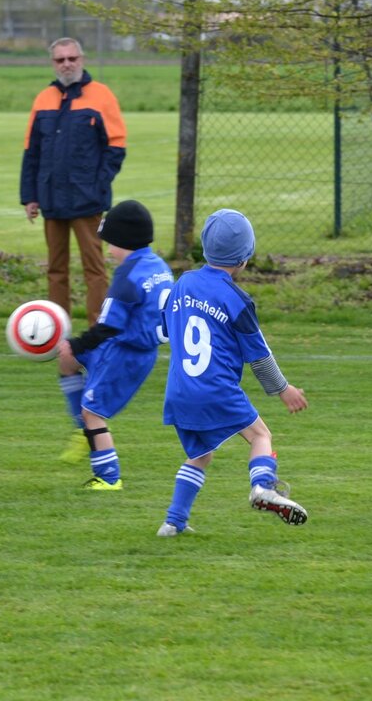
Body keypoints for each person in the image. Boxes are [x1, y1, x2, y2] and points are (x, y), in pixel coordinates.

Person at [156, 209, 308, 536]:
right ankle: (263, 486)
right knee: (260, 436)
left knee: (201, 454)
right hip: (216, 389)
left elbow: (164, 329)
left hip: (179, 391)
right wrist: (284, 390)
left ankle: (173, 522)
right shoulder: (237, 300)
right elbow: (260, 358)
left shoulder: (183, 283)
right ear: (244, 258)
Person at [54, 200, 173, 488]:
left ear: (124, 241)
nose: (108, 250)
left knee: (93, 413)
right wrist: (73, 351)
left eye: (110, 243)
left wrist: (77, 343)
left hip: (124, 354)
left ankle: (108, 478)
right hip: (132, 347)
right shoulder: (159, 266)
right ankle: (83, 429)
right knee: (67, 362)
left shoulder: (127, 275)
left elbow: (109, 326)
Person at [21, 37, 127, 325]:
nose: (66, 64)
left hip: (87, 200)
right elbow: (32, 151)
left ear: (82, 59)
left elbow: (116, 147)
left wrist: (98, 184)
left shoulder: (102, 96)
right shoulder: (43, 99)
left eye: (72, 58)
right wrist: (30, 196)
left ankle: (98, 329)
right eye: (60, 59)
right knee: (56, 270)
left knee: (94, 268)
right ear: (53, 63)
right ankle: (58, 330)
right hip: (51, 199)